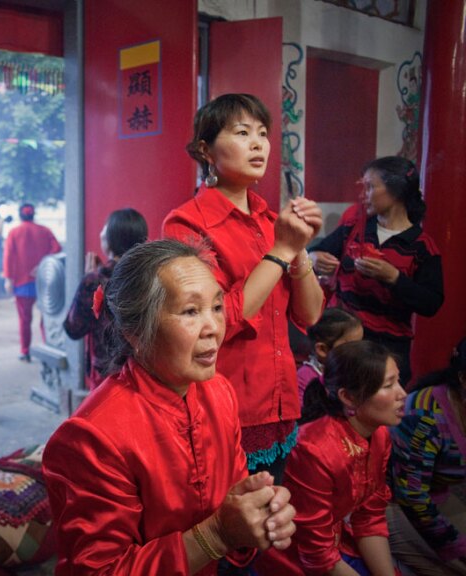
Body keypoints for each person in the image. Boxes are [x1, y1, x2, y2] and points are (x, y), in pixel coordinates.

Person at [43, 239, 297, 576]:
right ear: (134, 332)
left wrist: (254, 515)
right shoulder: (91, 437)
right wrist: (218, 534)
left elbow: (231, 504)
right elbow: (99, 570)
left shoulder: (218, 391)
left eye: (217, 307)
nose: (214, 329)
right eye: (191, 311)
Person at [163, 93, 324, 481]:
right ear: (206, 149)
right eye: (241, 132)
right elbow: (216, 321)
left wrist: (297, 249)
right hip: (226, 405)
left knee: (270, 524)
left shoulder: (271, 219)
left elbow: (310, 314)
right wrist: (283, 249)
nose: (258, 143)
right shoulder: (186, 224)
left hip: (281, 402)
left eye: (263, 133)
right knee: (230, 528)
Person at [257, 340, 406, 575]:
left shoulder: (379, 435)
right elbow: (315, 552)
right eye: (388, 385)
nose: (403, 393)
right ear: (348, 397)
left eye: (398, 380)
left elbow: (369, 516)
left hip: (334, 542)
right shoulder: (314, 450)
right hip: (294, 556)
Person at [310, 156, 443, 386]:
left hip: (387, 350)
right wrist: (315, 258)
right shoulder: (354, 228)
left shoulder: (422, 246)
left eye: (371, 187)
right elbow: (315, 252)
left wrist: (394, 278)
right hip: (343, 341)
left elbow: (432, 302)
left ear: (396, 190)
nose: (364, 194)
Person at [387, 337, 466, 576]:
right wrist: (456, 545)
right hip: (392, 503)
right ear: (463, 379)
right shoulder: (425, 416)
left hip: (436, 495)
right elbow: (412, 496)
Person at [63, 208, 148, 390]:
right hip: (144, 373)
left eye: (104, 228)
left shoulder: (95, 282)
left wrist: (89, 279)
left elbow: (73, 328)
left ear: (111, 239)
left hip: (107, 376)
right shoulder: (150, 276)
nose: (101, 233)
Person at [3, 203, 61, 362]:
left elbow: (8, 256)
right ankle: (49, 346)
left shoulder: (14, 232)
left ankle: (25, 351)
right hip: (44, 281)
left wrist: (8, 279)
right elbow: (57, 249)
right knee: (47, 316)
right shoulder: (45, 231)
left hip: (22, 283)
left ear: (20, 215)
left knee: (24, 319)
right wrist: (43, 265)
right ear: (33, 214)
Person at [297, 307, 363, 403]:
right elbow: (304, 414)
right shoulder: (304, 378)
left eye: (359, 344)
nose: (359, 351)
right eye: (351, 346)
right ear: (322, 349)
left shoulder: (355, 370)